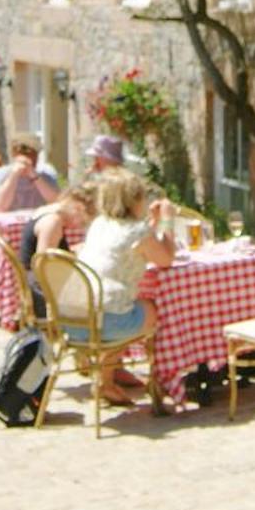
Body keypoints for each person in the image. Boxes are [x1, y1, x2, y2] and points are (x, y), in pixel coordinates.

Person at [72, 168, 176, 404]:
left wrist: (153, 223)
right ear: (134, 200)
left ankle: (106, 376)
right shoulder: (136, 232)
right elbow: (166, 259)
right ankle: (120, 374)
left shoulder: (100, 224)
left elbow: (129, 244)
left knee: (126, 306)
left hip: (73, 319)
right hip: (104, 323)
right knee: (154, 311)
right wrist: (168, 221)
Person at [22, 185, 93, 320]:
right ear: (78, 208)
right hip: (42, 291)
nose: (80, 226)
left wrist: (72, 251)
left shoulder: (45, 211)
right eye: (83, 221)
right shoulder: (52, 222)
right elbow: (42, 265)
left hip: (37, 281)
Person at [0, 134, 60, 212]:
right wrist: (14, 175)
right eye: (24, 153)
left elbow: (56, 203)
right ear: (14, 155)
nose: (29, 158)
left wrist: (34, 176)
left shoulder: (47, 174)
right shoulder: (0, 174)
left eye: (33, 153)